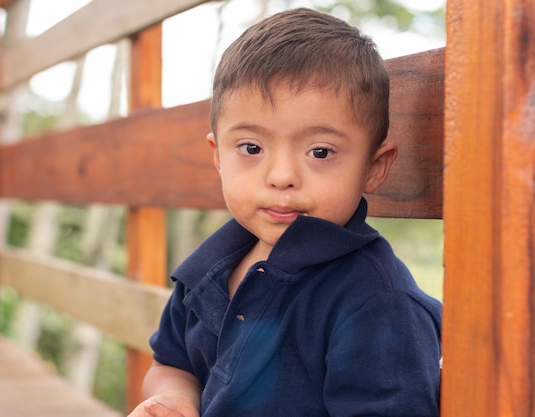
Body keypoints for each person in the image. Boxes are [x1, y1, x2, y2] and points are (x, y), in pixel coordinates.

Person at [128, 7, 442, 417]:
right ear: (219, 156)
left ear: (373, 167)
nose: (281, 177)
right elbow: (170, 364)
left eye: (320, 152)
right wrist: (173, 399)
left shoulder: (376, 302)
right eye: (252, 148)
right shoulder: (207, 270)